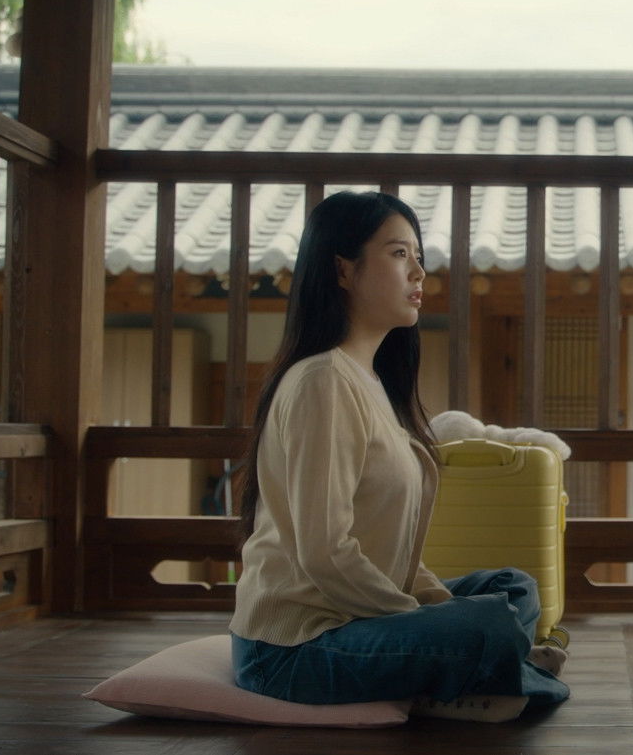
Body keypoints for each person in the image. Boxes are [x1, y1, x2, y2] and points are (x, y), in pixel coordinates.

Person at [229, 190, 569, 721]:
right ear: (344, 270)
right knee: (486, 625)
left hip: (361, 614)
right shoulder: (323, 381)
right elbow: (324, 554)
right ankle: (496, 673)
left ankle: (487, 671)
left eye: (418, 256)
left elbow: (391, 554)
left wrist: (437, 611)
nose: (418, 273)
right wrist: (422, 619)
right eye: (398, 253)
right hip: (297, 646)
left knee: (513, 589)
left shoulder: (371, 383)